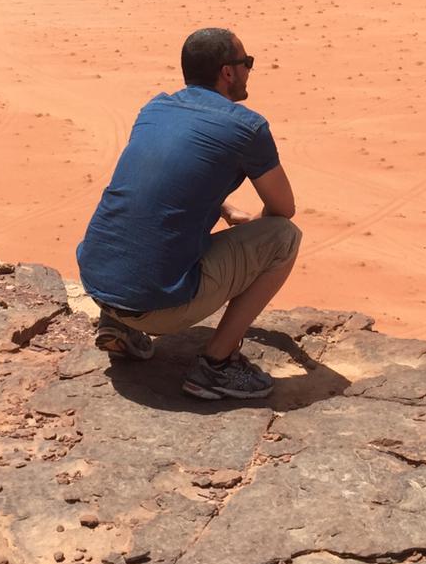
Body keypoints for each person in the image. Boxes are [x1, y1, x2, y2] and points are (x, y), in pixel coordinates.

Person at [76, 28, 301, 400]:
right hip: (155, 306)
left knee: (140, 217)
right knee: (284, 239)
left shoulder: (155, 108)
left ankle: (118, 325)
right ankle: (217, 366)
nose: (249, 70)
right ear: (227, 72)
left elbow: (163, 187)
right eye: (246, 63)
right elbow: (283, 210)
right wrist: (252, 244)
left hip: (98, 285)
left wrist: (225, 209)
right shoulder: (247, 127)